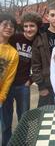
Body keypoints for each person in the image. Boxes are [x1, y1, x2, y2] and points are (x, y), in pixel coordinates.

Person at [2, 12, 42, 145]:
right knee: (6, 121)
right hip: (6, 85)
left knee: (24, 118)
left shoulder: (38, 43)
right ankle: (6, 142)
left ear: (37, 27)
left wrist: (31, 80)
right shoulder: (15, 38)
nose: (29, 29)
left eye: (32, 26)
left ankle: (22, 143)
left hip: (23, 86)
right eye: (26, 26)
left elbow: (40, 65)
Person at [32, 3, 55, 107]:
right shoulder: (39, 37)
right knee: (45, 118)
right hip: (47, 85)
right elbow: (35, 65)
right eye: (52, 15)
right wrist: (41, 86)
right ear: (47, 17)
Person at [0, 13, 19, 146]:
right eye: (5, 24)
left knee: (6, 126)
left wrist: (2, 97)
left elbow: (8, 78)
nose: (8, 28)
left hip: (1, 96)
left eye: (12, 26)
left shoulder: (13, 53)